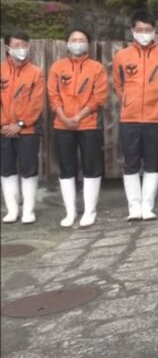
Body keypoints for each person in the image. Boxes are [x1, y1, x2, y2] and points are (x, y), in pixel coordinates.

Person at [112, 10, 158, 221]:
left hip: (154, 118)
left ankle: (148, 205)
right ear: (132, 31)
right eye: (139, 30)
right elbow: (119, 85)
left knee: (153, 162)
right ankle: (134, 206)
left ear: (154, 31)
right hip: (129, 118)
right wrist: (129, 102)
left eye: (147, 30)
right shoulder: (122, 56)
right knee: (130, 162)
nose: (143, 33)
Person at [47, 29, 109, 227]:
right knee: (67, 168)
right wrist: (64, 117)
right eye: (73, 40)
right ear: (67, 43)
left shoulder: (96, 68)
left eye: (81, 40)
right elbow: (53, 95)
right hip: (62, 124)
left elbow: (99, 97)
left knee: (91, 166)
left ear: (88, 44)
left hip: (88, 124)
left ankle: (90, 211)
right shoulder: (57, 67)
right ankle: (70, 211)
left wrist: (79, 116)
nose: (77, 43)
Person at [1, 31, 44, 224]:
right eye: (17, 45)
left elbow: (36, 103)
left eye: (24, 45)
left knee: (29, 169)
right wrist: (4, 124)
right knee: (7, 169)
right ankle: (12, 210)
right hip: (3, 131)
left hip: (27, 130)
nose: (21, 49)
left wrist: (19, 124)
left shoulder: (36, 72)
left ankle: (28, 210)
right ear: (7, 48)